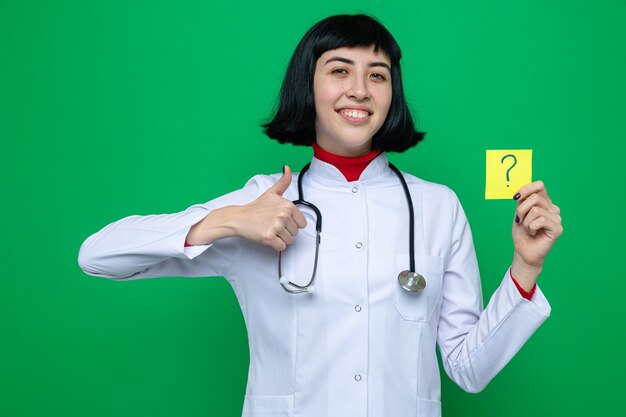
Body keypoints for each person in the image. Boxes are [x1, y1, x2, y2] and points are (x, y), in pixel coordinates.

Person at [78, 14, 563, 417]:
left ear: (392, 94)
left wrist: (525, 268)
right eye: (339, 71)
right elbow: (97, 255)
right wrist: (227, 221)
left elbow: (469, 370)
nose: (360, 90)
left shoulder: (437, 207)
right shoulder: (259, 202)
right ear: (307, 86)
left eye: (377, 74)